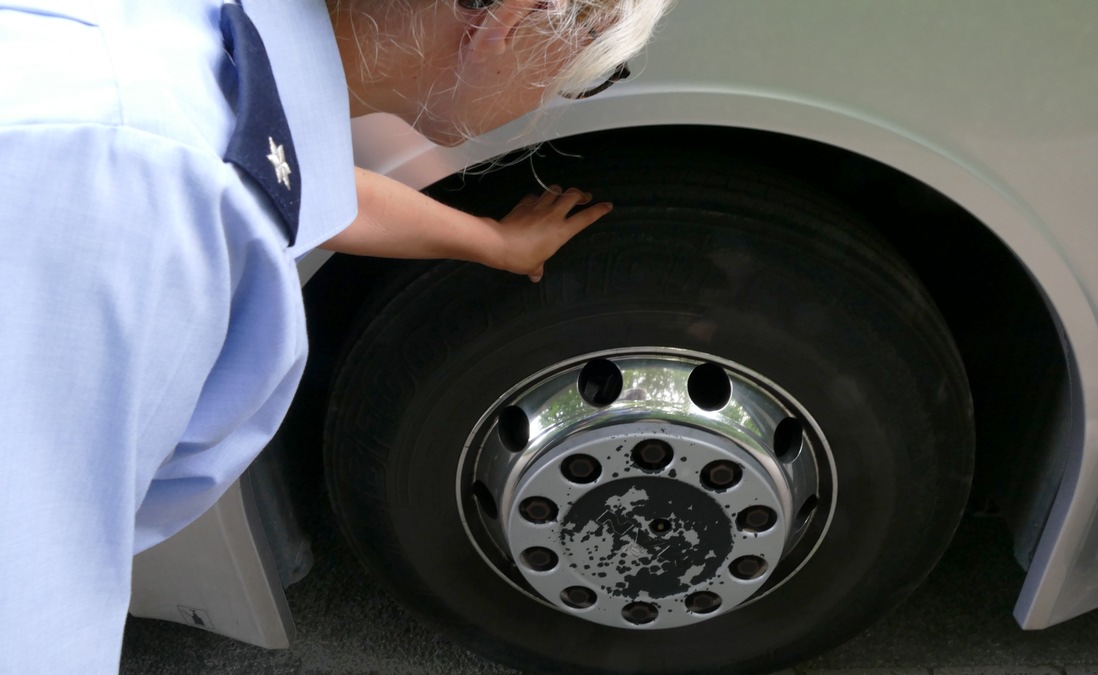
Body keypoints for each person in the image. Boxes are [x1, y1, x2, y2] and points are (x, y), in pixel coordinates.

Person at [0, 0, 673, 671]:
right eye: (586, 74)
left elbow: (290, 179)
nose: (558, 94)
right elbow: (31, 599)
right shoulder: (143, 185)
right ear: (512, 22)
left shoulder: (180, 61)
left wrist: (492, 241)